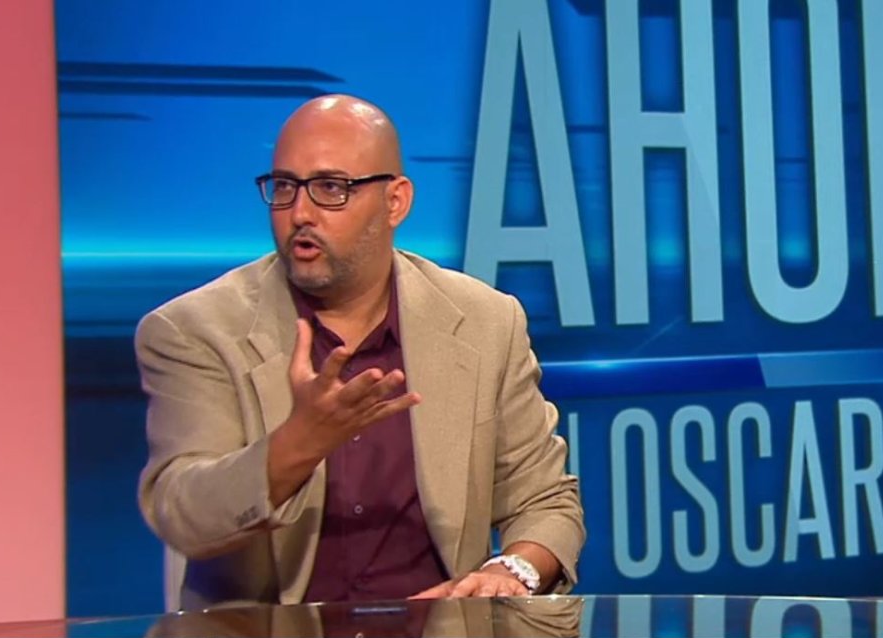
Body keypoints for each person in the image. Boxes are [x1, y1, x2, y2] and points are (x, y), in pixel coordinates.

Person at [136, 95, 583, 609]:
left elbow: (546, 500)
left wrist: (510, 570)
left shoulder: (485, 321)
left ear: (395, 201)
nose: (300, 214)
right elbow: (183, 514)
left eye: (331, 188)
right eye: (284, 187)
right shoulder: (195, 331)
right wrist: (299, 443)